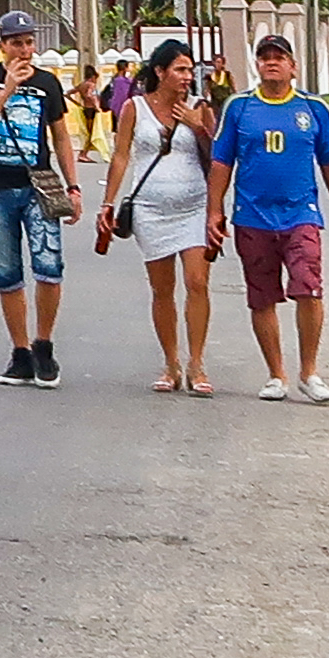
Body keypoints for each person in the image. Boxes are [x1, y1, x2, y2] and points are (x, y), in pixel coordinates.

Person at [208, 32, 329, 401]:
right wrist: (215, 210)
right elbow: (222, 161)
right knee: (262, 296)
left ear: (293, 66)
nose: (271, 62)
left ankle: (309, 371)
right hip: (253, 215)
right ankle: (277, 374)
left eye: (279, 57)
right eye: (264, 57)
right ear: (257, 65)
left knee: (308, 286)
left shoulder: (312, 109)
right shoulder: (240, 108)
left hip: (300, 214)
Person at [98, 40, 219, 394]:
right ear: (160, 72)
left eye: (189, 70)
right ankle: (171, 363)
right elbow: (121, 156)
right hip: (151, 209)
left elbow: (219, 158)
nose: (186, 77)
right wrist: (108, 203)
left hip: (194, 205)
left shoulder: (200, 106)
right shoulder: (135, 108)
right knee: (162, 288)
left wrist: (199, 125)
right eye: (179, 69)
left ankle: (197, 364)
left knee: (197, 282)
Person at [0, 14, 78, 384]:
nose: (25, 50)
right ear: (3, 46)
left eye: (29, 42)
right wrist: (6, 90)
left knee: (49, 267)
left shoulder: (48, 83)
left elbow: (61, 137)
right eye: (17, 43)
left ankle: (44, 343)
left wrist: (73, 187)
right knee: (6, 272)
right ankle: (20, 351)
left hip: (39, 186)